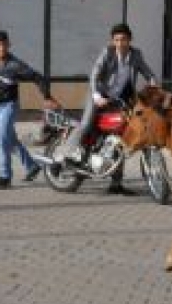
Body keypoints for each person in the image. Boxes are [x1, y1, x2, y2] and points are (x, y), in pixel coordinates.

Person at [65, 23, 157, 195]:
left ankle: (116, 183)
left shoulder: (136, 55)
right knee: (86, 124)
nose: (120, 43)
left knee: (121, 136)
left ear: (130, 40)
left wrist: (153, 84)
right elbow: (94, 75)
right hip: (99, 95)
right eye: (117, 40)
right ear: (112, 41)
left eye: (123, 39)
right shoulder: (107, 53)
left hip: (121, 98)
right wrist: (97, 96)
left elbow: (148, 73)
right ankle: (67, 156)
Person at [0, 30, 59, 190]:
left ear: (8, 45)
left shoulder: (15, 65)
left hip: (10, 105)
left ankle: (5, 176)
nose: (0, 49)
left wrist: (47, 96)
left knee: (0, 139)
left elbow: (37, 77)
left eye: (3, 46)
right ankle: (32, 166)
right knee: (10, 140)